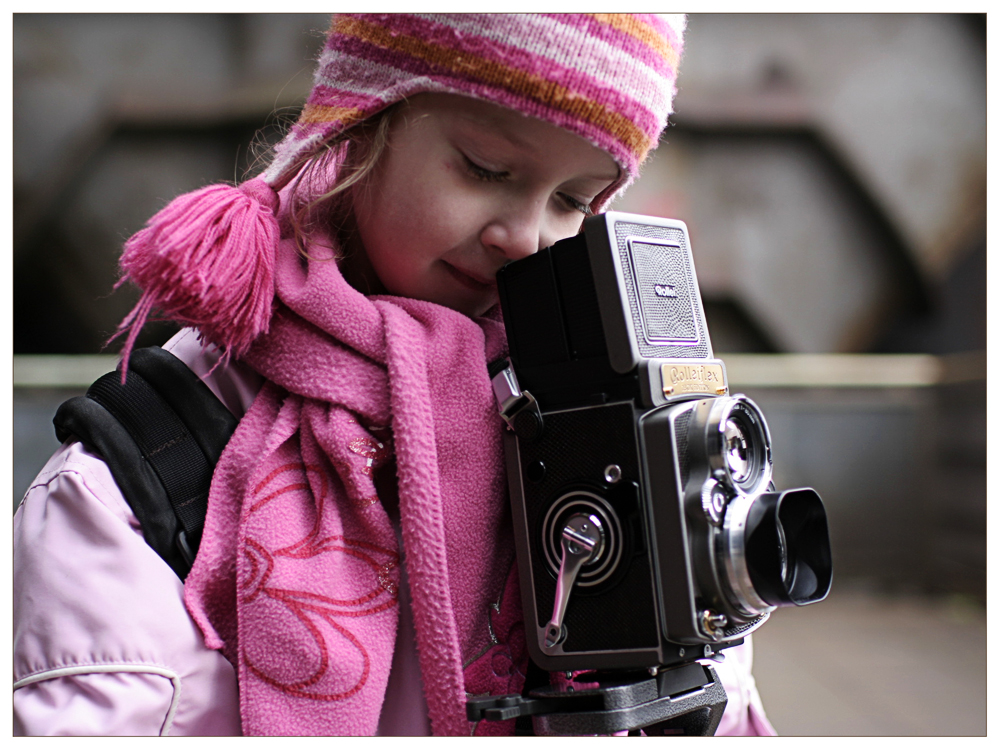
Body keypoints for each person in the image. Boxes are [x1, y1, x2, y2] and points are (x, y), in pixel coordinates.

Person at [13, 13, 775, 736]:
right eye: (485, 169)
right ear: (363, 122)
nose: (524, 237)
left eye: (574, 201)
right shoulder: (143, 472)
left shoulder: (608, 438)